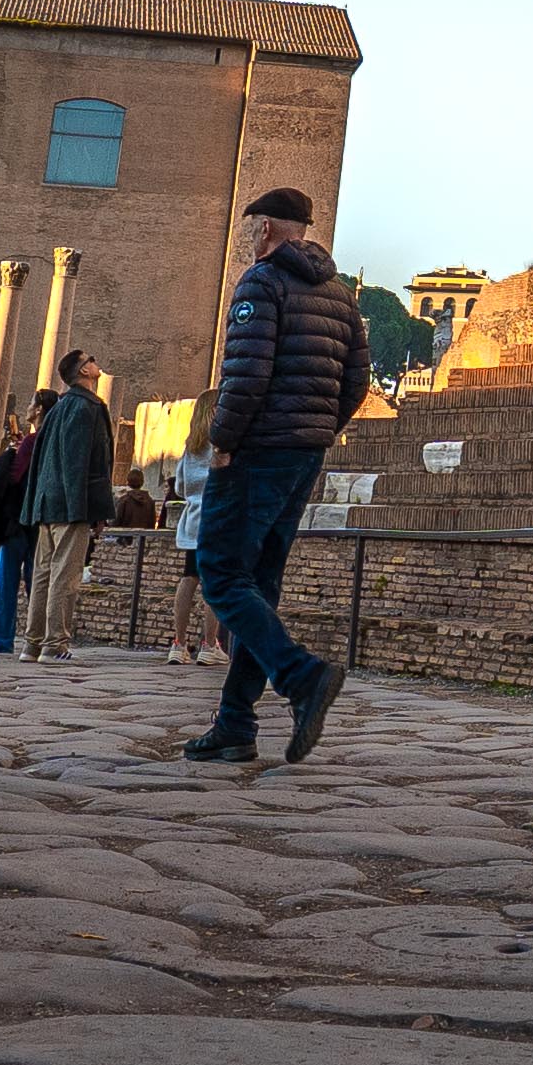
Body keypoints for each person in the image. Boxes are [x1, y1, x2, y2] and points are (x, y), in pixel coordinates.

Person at [184, 188, 359, 762]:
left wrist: (225, 440)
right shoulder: (339, 292)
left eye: (251, 226)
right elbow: (356, 380)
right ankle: (236, 721)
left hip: (256, 449)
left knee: (222, 574)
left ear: (264, 229)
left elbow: (247, 374)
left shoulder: (261, 283)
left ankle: (301, 676)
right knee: (259, 582)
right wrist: (318, 429)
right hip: (305, 450)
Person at [11, 351, 115, 658]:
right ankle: (55, 644)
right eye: (91, 359)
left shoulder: (57, 409)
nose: (97, 362)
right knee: (64, 576)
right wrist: (89, 508)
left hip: (47, 503)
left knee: (43, 573)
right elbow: (79, 462)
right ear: (84, 370)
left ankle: (33, 643)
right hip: (70, 504)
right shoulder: (86, 408)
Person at [0, 377, 49, 656]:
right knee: (38, 584)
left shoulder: (30, 441)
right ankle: (39, 638)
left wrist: (9, 457)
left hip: (16, 522)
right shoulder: (52, 441)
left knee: (6, 582)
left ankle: (0, 639)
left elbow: (15, 478)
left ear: (38, 410)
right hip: (42, 523)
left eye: (32, 404)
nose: (27, 407)